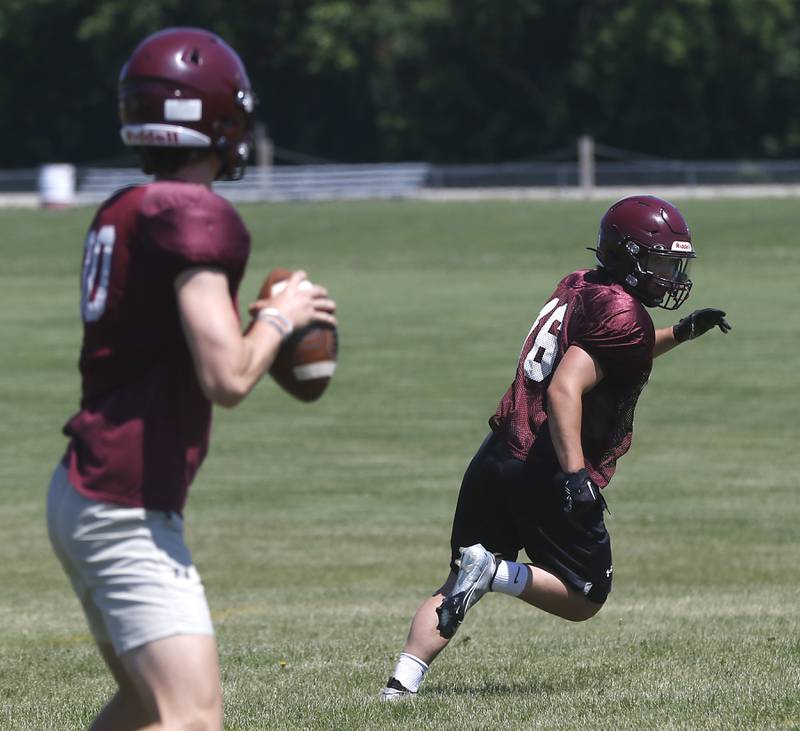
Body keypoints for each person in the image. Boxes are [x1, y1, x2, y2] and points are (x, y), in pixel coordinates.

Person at [46, 28, 336, 730]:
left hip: (85, 490)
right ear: (220, 119)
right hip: (122, 503)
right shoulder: (190, 214)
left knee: (147, 707)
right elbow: (227, 377)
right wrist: (278, 317)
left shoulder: (126, 209)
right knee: (193, 717)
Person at [380, 195, 731, 700]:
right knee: (585, 594)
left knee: (460, 576)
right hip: (545, 462)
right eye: (658, 263)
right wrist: (575, 478)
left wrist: (679, 332)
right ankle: (498, 573)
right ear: (629, 256)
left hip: (499, 452)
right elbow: (567, 387)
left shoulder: (581, 284)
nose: (669, 276)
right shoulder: (622, 314)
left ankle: (400, 686)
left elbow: (610, 349)